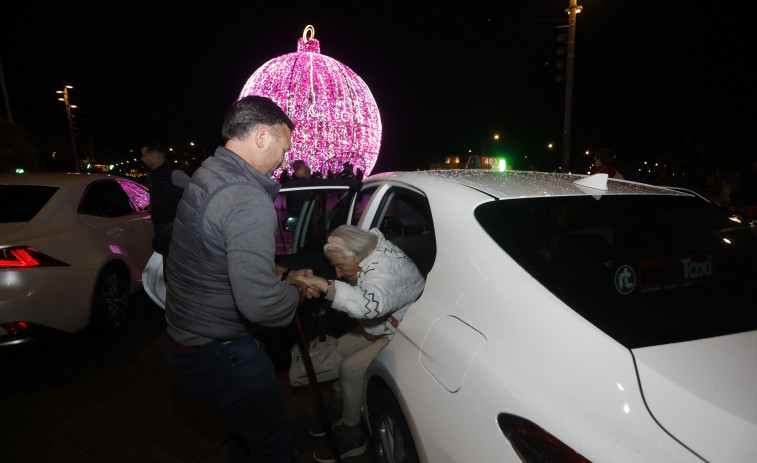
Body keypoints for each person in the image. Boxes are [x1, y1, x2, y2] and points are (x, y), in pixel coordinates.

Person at [164, 95, 308, 463]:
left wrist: (278, 273)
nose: (282, 160)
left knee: (246, 434)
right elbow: (261, 304)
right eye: (283, 146)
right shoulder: (246, 198)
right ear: (262, 137)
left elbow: (216, 254)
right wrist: (295, 292)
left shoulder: (210, 172)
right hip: (220, 352)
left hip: (189, 339)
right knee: (272, 443)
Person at [296, 224, 426, 462]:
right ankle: (345, 405)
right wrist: (327, 300)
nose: (337, 274)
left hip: (399, 331)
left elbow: (370, 305)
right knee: (337, 349)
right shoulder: (370, 253)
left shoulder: (387, 268)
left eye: (340, 266)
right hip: (381, 325)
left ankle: (353, 433)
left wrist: (326, 287)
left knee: (350, 368)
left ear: (355, 254)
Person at [140, 141, 190, 264]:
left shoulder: (174, 174)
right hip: (159, 227)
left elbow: (197, 191)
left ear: (153, 157)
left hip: (173, 229)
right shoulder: (151, 174)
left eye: (144, 155)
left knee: (173, 263)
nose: (142, 159)